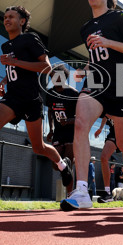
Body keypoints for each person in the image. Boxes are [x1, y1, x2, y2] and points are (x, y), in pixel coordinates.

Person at [0, 6, 72, 204]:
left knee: (38, 147)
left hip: (31, 100)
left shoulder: (30, 39)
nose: (7, 19)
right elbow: (15, 66)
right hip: (12, 98)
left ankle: (64, 166)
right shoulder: (6, 46)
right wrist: (5, 79)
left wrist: (15, 62)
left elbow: (46, 68)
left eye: (11, 16)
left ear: (22, 21)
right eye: (5, 17)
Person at [60, 0, 123, 211]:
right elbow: (96, 56)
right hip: (97, 81)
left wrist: (109, 42)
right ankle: (81, 191)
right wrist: (86, 69)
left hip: (121, 82)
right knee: (80, 124)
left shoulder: (118, 18)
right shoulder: (85, 28)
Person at [45, 64, 79, 193]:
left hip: (71, 132)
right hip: (58, 132)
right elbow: (49, 111)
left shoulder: (73, 93)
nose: (54, 79)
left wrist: (70, 120)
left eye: (57, 76)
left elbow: (81, 117)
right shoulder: (50, 93)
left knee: (68, 162)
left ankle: (70, 195)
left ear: (64, 77)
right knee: (56, 164)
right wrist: (51, 129)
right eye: (52, 77)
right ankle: (73, 163)